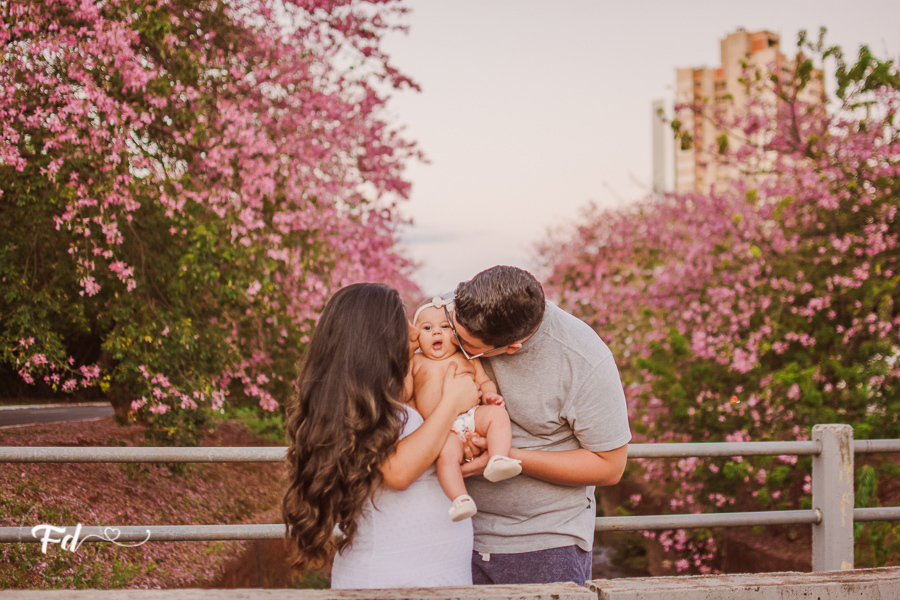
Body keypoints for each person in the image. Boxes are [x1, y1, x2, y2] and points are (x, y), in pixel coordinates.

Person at [282, 283, 481, 589]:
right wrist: (451, 402)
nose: (415, 332)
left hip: (437, 576)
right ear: (377, 336)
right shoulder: (360, 408)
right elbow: (397, 471)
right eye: (405, 324)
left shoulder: (393, 397)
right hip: (389, 580)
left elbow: (428, 442)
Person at [445, 266, 632, 586]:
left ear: (510, 347)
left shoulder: (583, 358)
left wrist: (508, 458)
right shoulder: (452, 311)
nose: (450, 339)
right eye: (452, 325)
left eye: (464, 343)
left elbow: (610, 466)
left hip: (544, 545)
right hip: (450, 534)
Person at [409, 298, 522, 522]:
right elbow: (406, 394)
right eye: (427, 328)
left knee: (498, 415)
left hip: (472, 416)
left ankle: (498, 458)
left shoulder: (466, 357)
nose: (436, 332)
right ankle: (460, 499)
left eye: (445, 326)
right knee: (446, 458)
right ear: (416, 336)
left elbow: (484, 381)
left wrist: (490, 396)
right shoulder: (416, 362)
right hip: (441, 429)